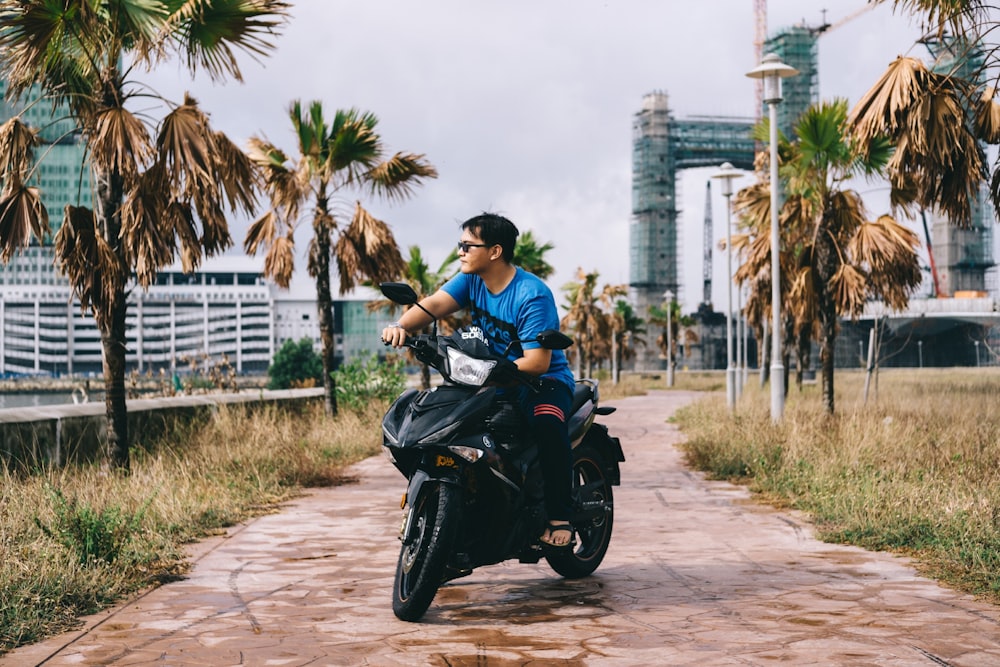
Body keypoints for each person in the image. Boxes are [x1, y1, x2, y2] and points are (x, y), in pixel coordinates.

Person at [381, 212, 576, 549]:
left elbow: (538, 361)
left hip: (541, 383)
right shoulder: (471, 280)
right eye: (460, 244)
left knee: (547, 425)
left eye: (468, 245)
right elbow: (434, 304)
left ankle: (560, 514)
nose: (460, 251)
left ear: (495, 251)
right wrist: (402, 326)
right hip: (489, 377)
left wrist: (497, 370)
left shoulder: (531, 294)